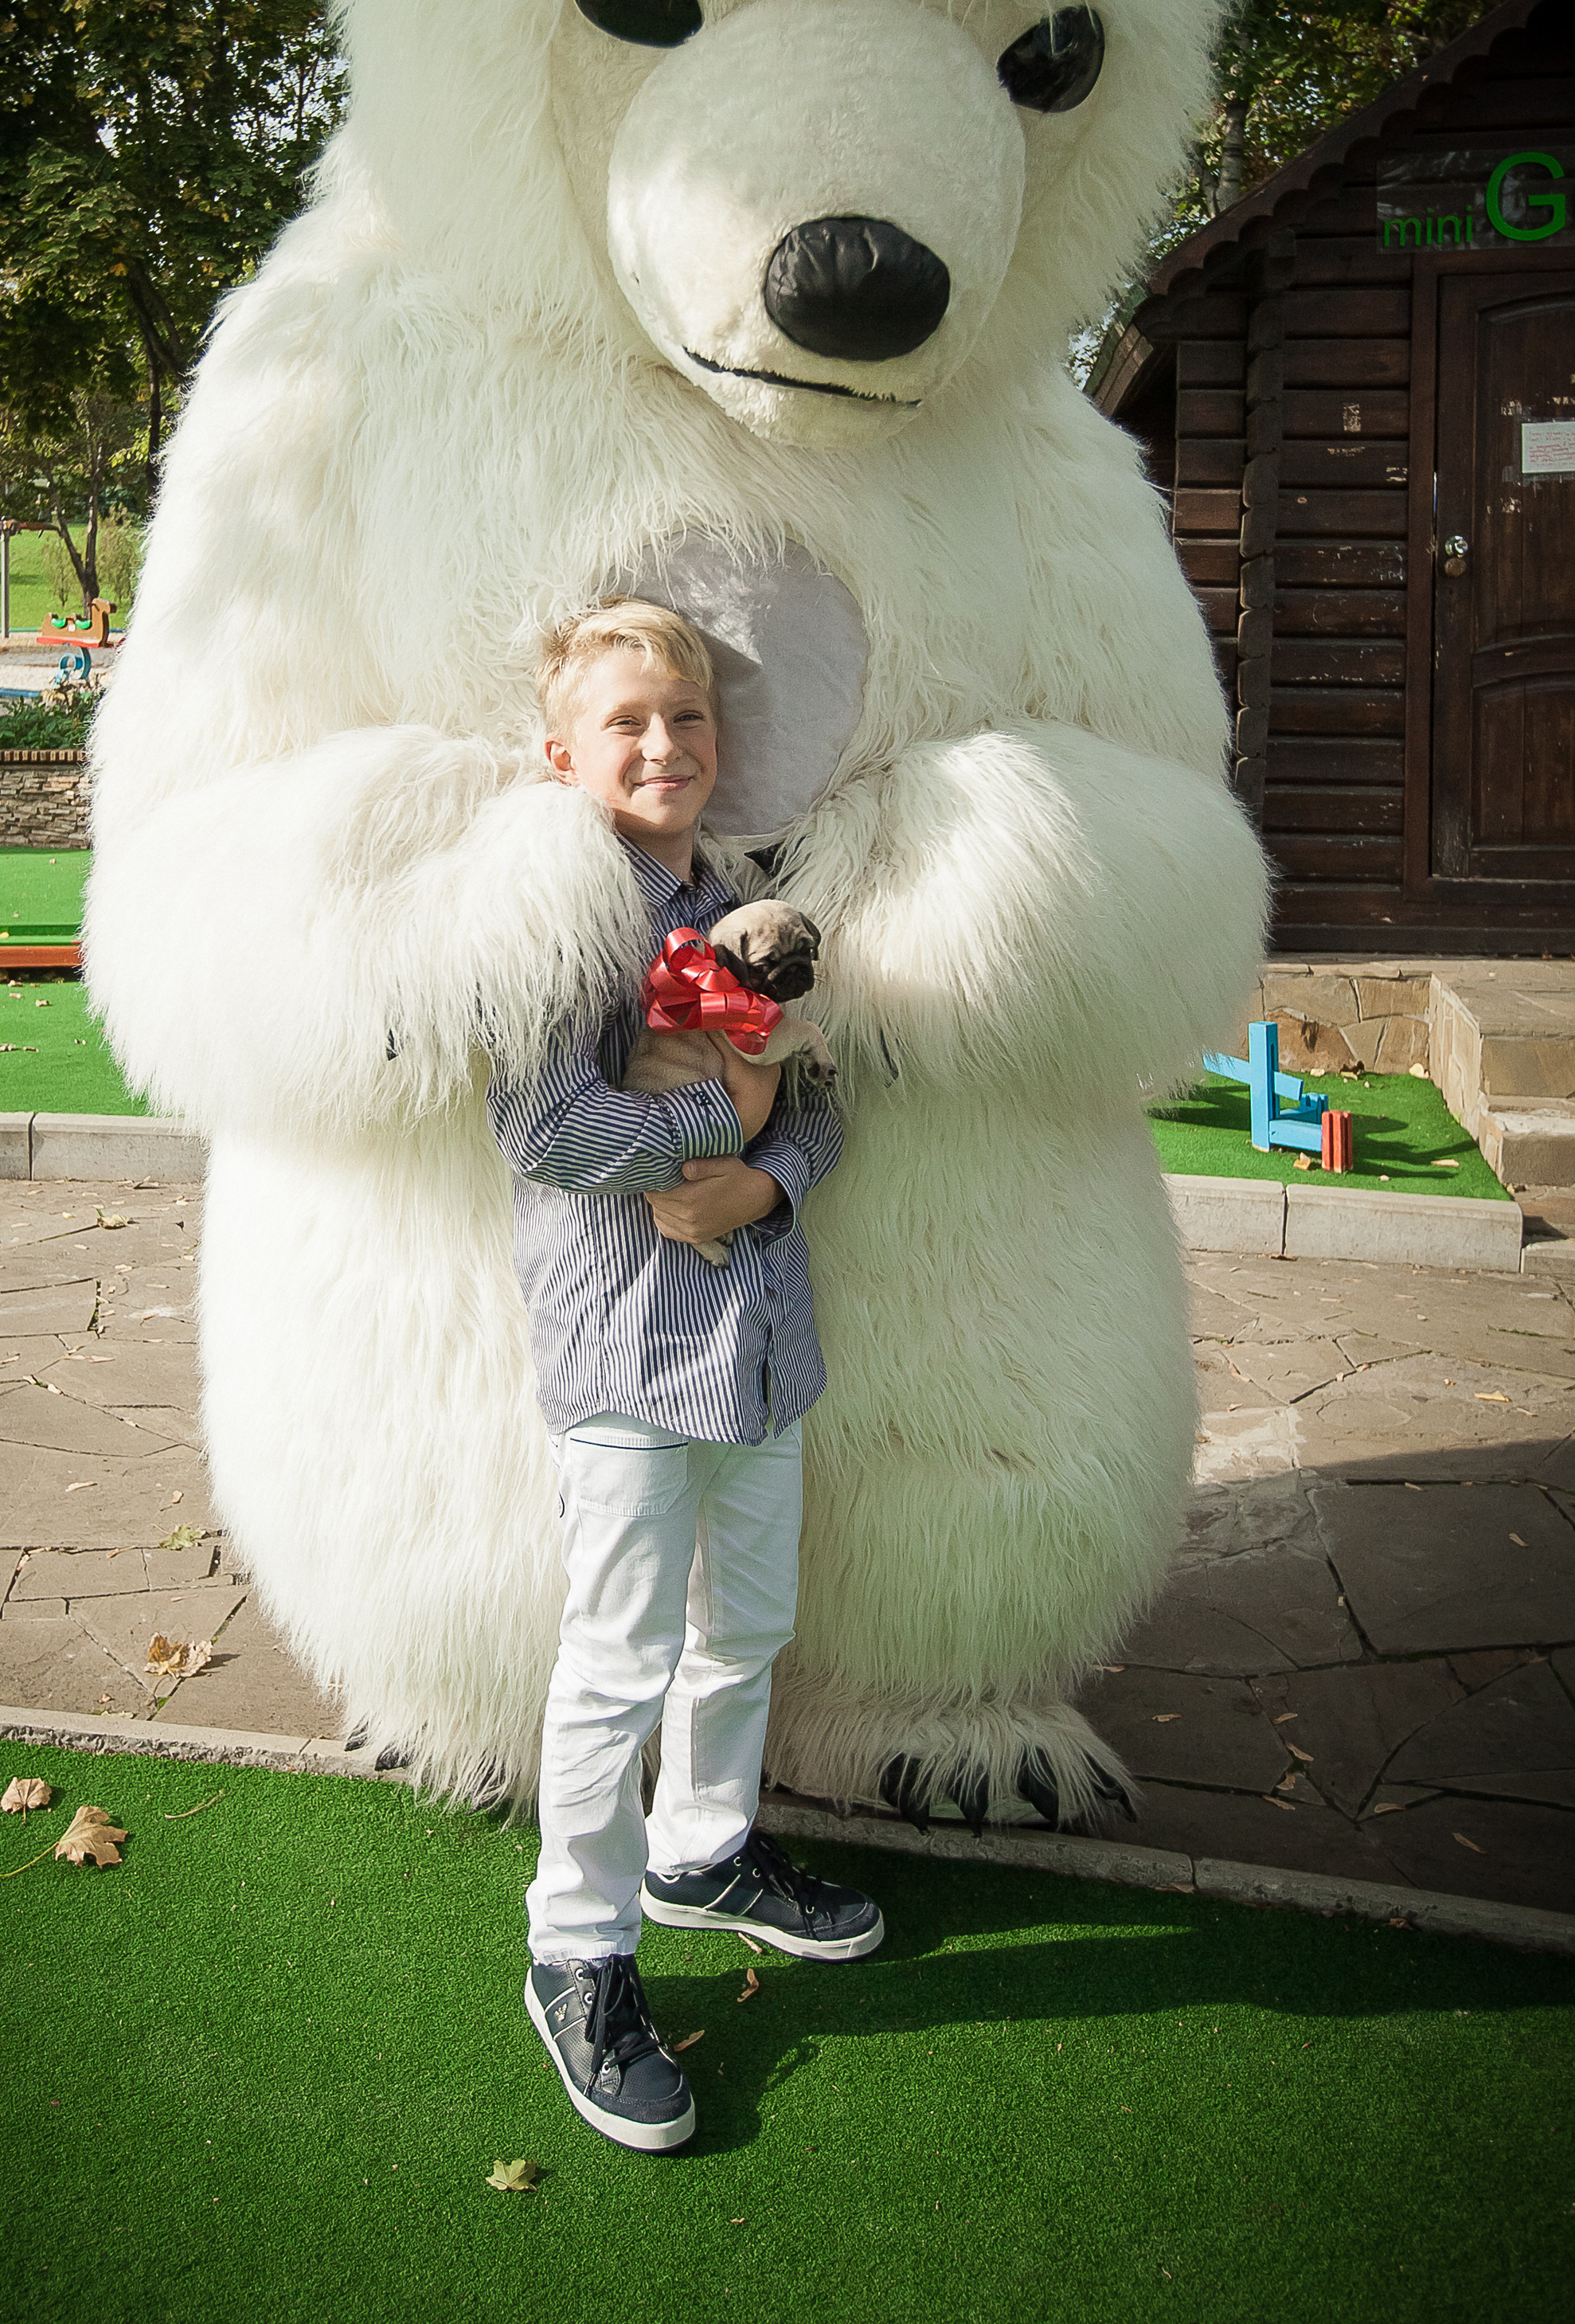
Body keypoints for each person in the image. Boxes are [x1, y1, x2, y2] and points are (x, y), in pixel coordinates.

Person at [487, 597, 882, 2157]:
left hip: (760, 1341)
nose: (663, 746)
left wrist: (759, 1187)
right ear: (563, 753)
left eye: (688, 719)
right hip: (630, 1359)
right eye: (629, 724)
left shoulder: (754, 909)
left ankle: (704, 1850)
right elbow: (544, 1131)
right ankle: (574, 1951)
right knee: (616, 1661)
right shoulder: (552, 922)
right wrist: (702, 1137)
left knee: (750, 1624)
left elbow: (828, 1102)